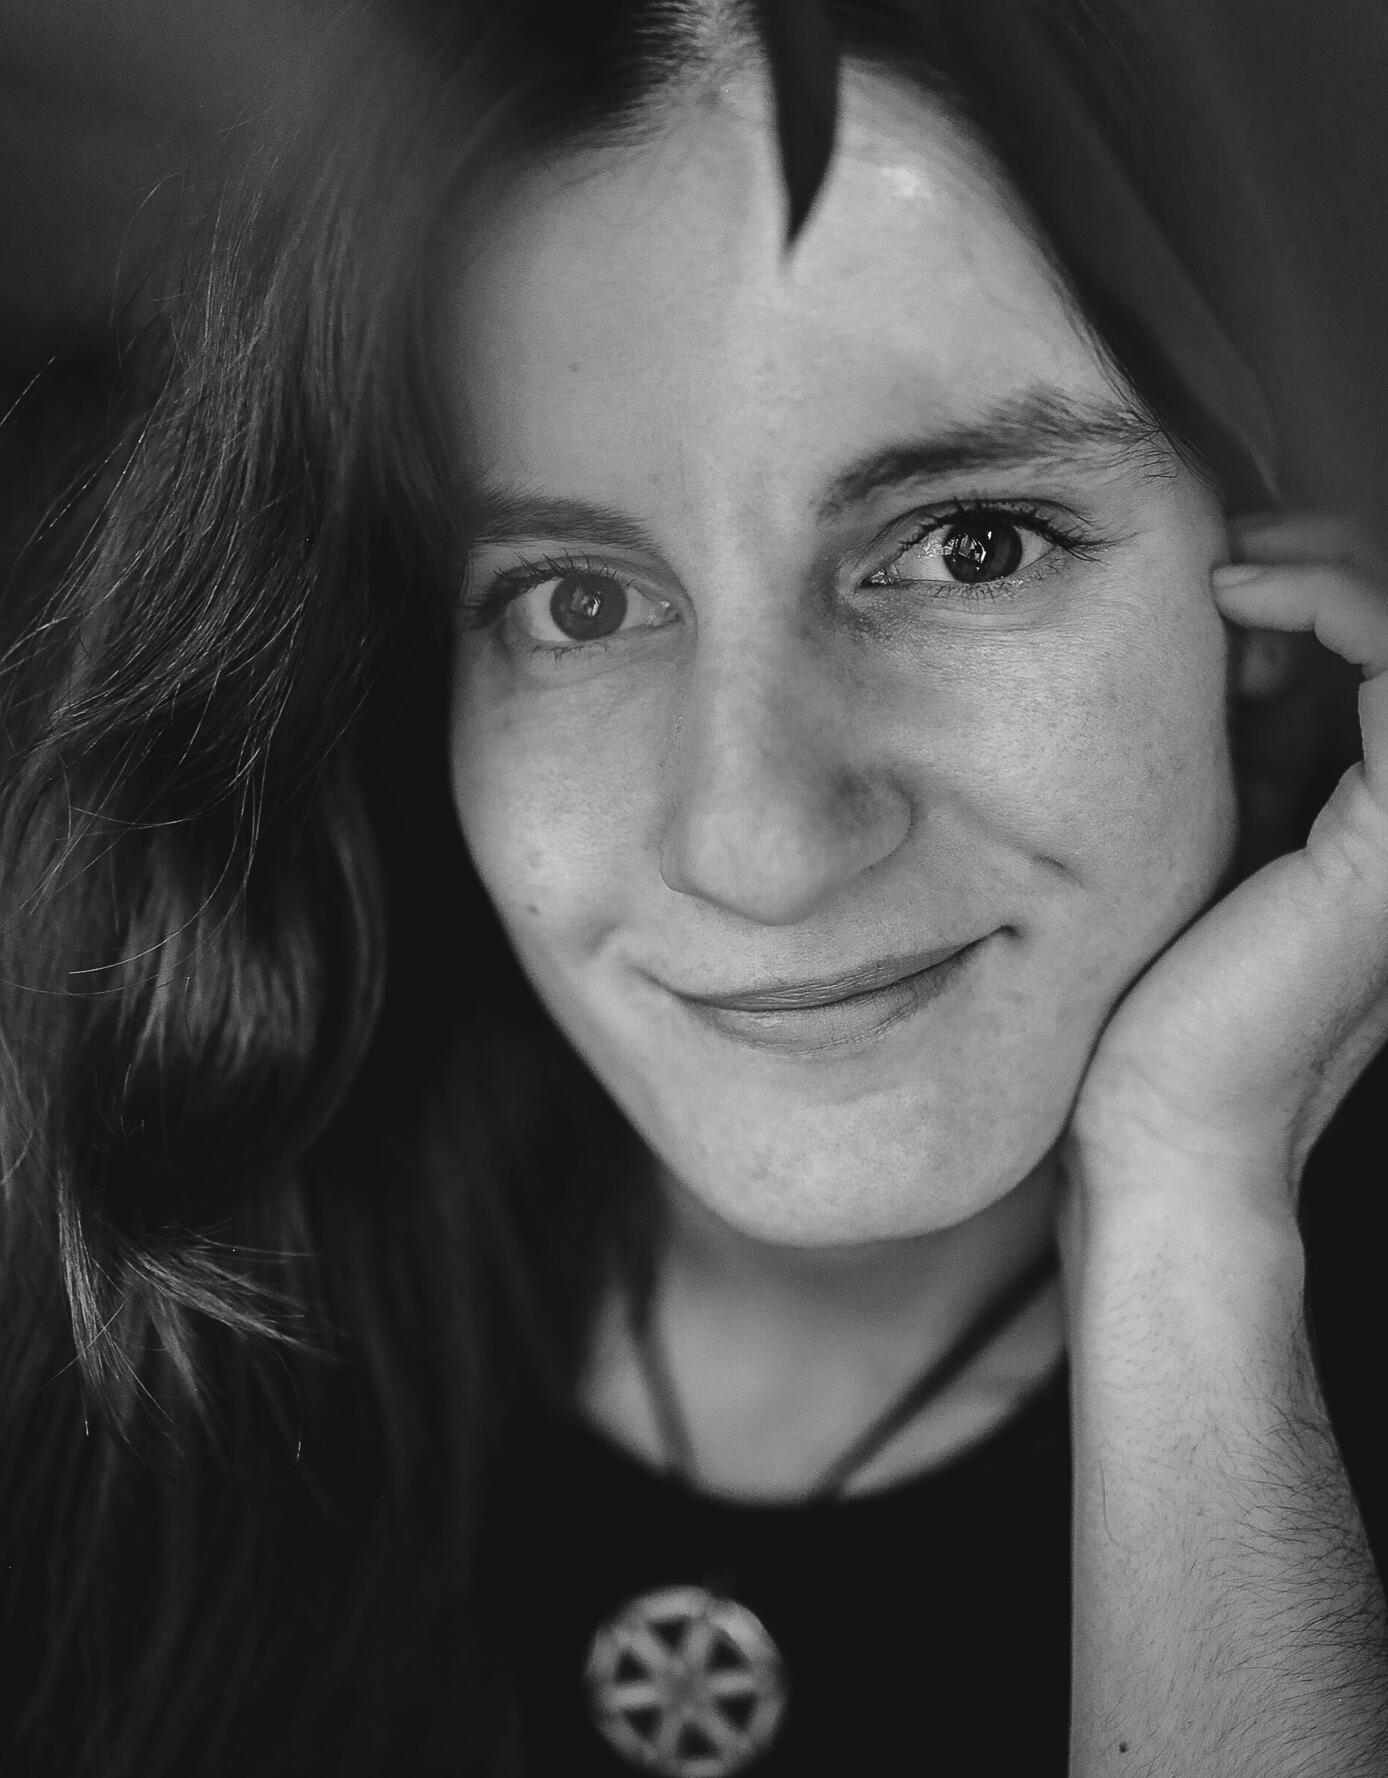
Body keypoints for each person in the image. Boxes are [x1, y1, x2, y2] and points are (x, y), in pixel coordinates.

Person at [2, 1, 1387, 1773]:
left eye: (970, 544)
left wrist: (1191, 1216)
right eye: (577, 601)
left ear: (1276, 589)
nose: (756, 842)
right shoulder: (107, 1294)